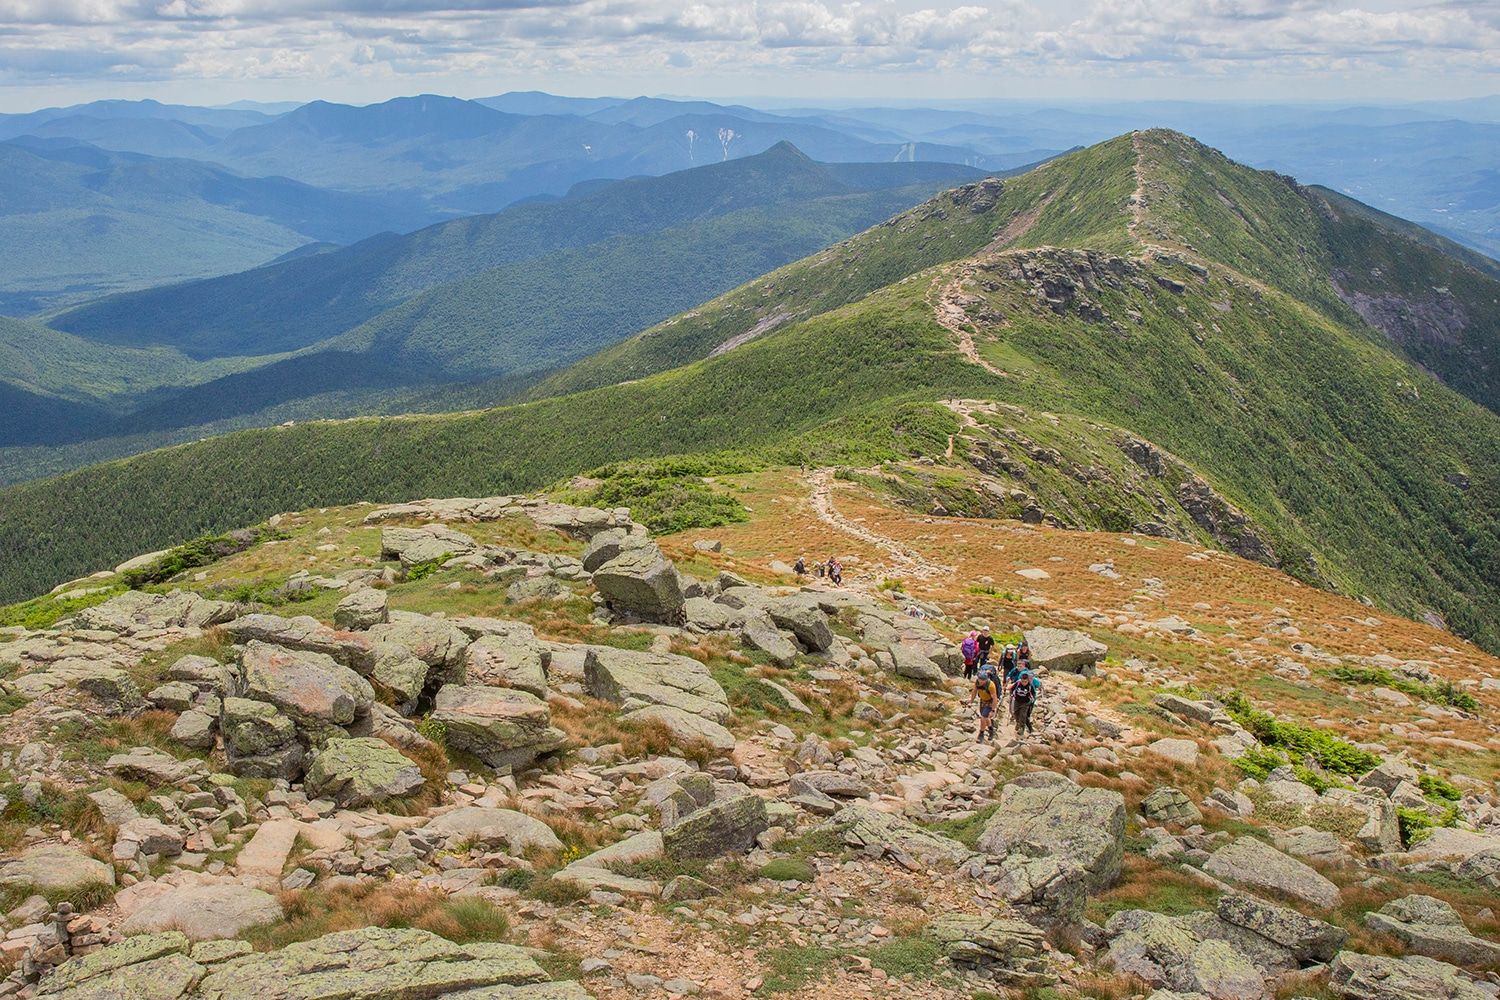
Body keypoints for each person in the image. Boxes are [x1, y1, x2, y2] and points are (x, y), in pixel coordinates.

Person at [971, 667, 1000, 743]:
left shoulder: (991, 685)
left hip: (990, 702)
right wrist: (971, 701)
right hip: (983, 701)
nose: (981, 681)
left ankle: (981, 734)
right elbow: (974, 692)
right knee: (986, 718)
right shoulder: (977, 682)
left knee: (983, 717)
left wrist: (993, 710)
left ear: (986, 679)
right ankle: (991, 730)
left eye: (983, 680)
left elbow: (994, 698)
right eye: (980, 679)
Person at [1011, 668, 1039, 738]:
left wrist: (1032, 701)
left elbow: (1033, 694)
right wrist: (1012, 694)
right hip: (1017, 701)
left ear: (1028, 680)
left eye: (1025, 681)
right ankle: (1018, 722)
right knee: (1016, 713)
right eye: (1022, 681)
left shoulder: (1030, 686)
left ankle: (1022, 729)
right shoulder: (1018, 683)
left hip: (1026, 702)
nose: (1024, 683)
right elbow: (1012, 689)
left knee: (1023, 715)